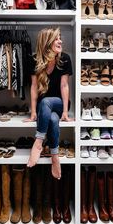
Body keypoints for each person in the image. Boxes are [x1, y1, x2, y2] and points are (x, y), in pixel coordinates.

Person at [24, 27, 73, 179]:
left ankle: (38, 143)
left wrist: (65, 112)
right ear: (47, 42)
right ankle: (55, 156)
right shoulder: (34, 60)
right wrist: (33, 113)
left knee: (47, 102)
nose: (60, 41)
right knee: (51, 118)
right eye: (56, 38)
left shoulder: (64, 59)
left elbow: (64, 86)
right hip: (43, 109)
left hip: (59, 103)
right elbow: (33, 87)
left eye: (60, 37)